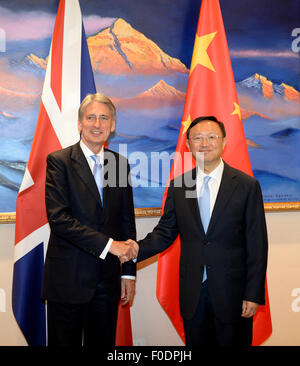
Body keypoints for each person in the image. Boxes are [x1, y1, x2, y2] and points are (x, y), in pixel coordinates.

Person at [127, 116, 268, 346]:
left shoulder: (246, 186)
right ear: (188, 145)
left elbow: (257, 245)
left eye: (212, 137)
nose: (205, 143)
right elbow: (165, 232)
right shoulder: (180, 186)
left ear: (224, 142)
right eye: (198, 138)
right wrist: (133, 251)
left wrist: (252, 293)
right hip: (193, 293)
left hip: (234, 294)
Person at [42, 93, 138, 347]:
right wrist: (110, 246)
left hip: (106, 284)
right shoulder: (59, 162)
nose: (97, 124)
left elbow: (126, 222)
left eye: (104, 118)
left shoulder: (119, 164)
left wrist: (128, 273)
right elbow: (60, 220)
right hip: (67, 281)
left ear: (113, 125)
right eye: (91, 117)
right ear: (80, 123)